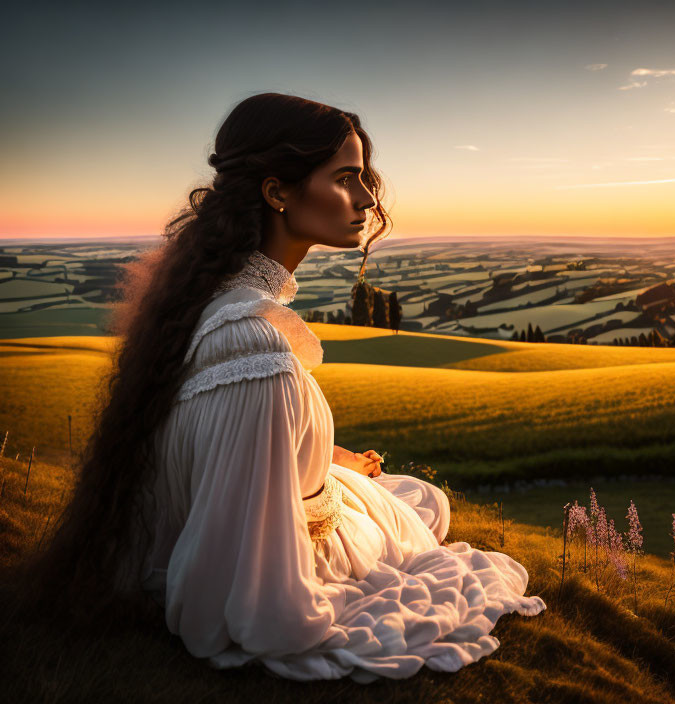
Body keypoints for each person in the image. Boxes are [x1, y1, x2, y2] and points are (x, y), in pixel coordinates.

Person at [16, 92, 545, 683]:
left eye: (365, 176)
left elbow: (223, 439)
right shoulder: (255, 346)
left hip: (292, 499)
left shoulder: (212, 302)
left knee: (422, 501)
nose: (369, 197)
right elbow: (251, 596)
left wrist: (326, 458)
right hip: (289, 541)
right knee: (423, 521)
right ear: (277, 193)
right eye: (346, 178)